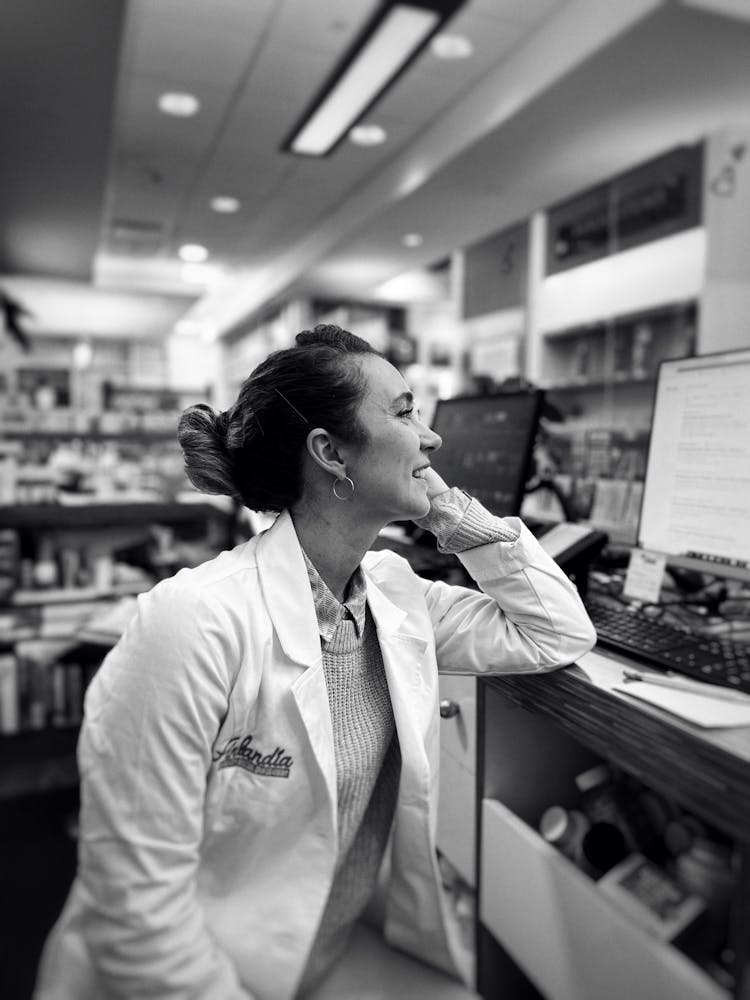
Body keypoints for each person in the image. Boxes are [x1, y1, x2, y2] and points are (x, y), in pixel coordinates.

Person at [34, 324, 596, 1000]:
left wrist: (446, 510)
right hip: (185, 978)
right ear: (330, 452)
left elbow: (555, 632)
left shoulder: (393, 595)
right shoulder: (190, 624)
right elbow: (136, 913)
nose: (433, 435)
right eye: (405, 411)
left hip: (322, 955)